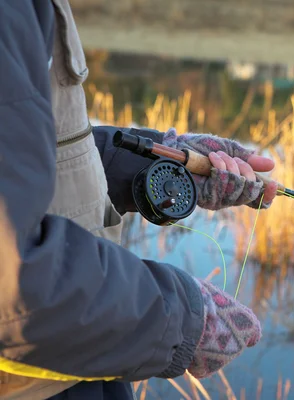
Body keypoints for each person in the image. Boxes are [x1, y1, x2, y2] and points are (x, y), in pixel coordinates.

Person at [0, 1, 277, 399]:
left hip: (71, 366)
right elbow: (11, 279)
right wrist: (180, 319)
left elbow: (32, 157)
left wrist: (158, 161)